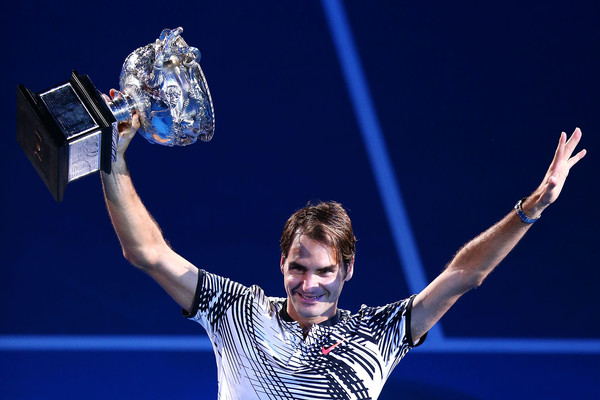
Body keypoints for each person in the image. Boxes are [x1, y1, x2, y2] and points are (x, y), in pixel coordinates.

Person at [101, 90, 586, 400]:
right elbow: (147, 253)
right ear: (282, 263)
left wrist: (531, 209)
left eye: (325, 271)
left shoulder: (381, 333)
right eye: (298, 267)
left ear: (347, 269)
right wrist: (112, 160)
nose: (308, 285)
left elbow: (464, 275)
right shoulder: (236, 311)